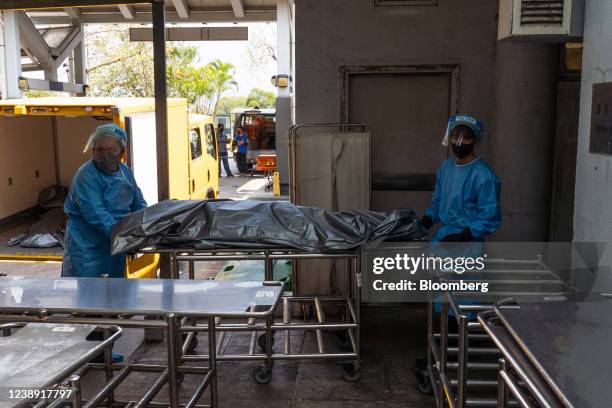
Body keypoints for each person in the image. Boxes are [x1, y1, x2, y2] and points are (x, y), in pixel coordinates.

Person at [62, 123, 147, 279]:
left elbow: (138, 203)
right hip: (87, 248)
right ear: (93, 151)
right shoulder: (86, 175)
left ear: (122, 151)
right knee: (87, 298)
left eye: (111, 149)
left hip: (115, 245)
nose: (105, 154)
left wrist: (147, 226)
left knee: (115, 293)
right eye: (100, 149)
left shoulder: (125, 172)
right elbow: (97, 214)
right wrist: (126, 238)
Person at [421, 115, 501, 242]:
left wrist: (464, 236)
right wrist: (426, 220)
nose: (459, 142)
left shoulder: (484, 175)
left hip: (468, 245)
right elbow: (438, 202)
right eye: (455, 136)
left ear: (474, 140)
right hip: (443, 239)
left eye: (466, 138)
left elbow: (489, 217)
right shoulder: (446, 168)